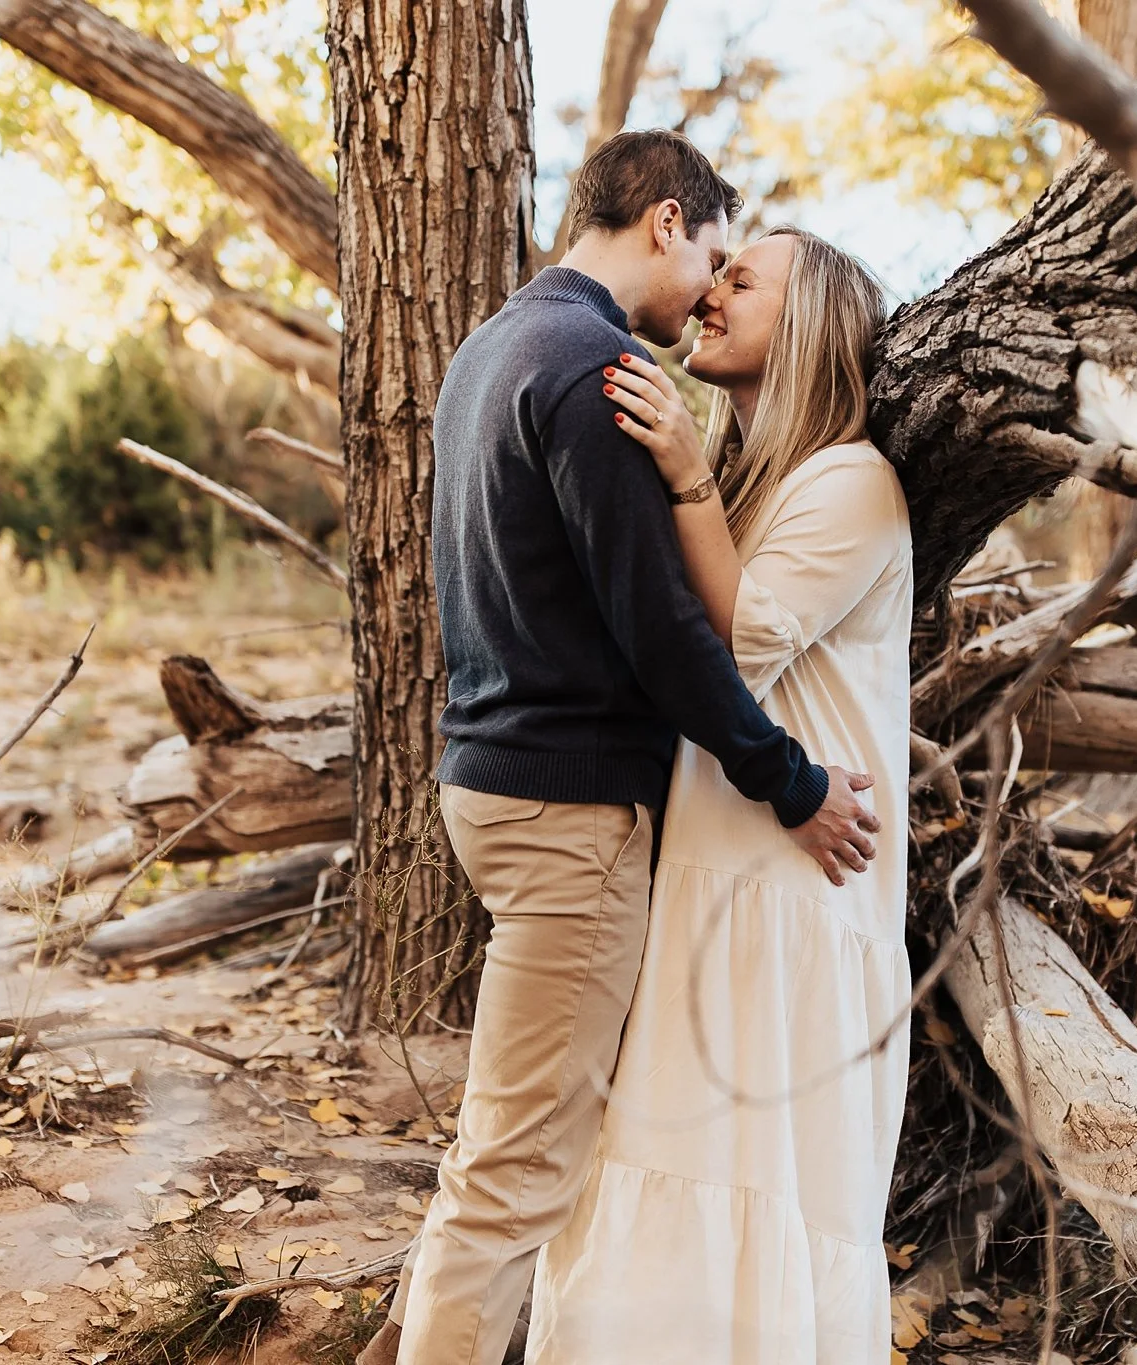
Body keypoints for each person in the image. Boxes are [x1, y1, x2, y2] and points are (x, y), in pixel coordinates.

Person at [356, 132, 881, 1365]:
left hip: (490, 784)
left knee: (515, 1143)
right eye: (709, 252)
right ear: (661, 221)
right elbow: (667, 636)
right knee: (513, 1175)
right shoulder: (593, 369)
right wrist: (792, 782)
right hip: (566, 814)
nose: (706, 285)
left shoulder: (489, 348)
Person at [525, 225, 912, 1363]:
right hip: (712, 872)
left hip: (795, 888)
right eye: (716, 269)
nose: (711, 292)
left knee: (753, 1180)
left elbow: (736, 640)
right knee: (664, 1158)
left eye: (744, 280)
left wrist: (686, 473)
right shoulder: (750, 484)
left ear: (808, 329)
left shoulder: (849, 480)